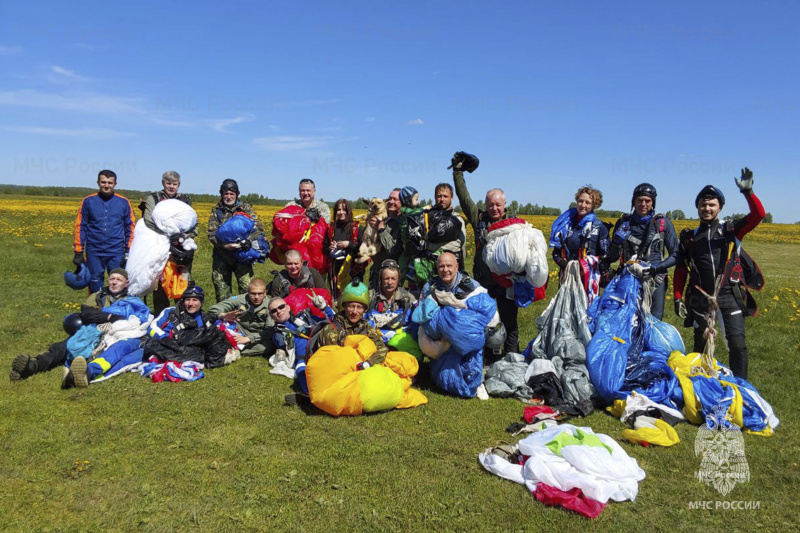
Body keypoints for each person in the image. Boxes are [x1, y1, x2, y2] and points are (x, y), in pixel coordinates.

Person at [674, 168, 765, 379]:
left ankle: (741, 388)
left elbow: (758, 215)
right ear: (697, 207)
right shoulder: (689, 237)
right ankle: (698, 384)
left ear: (720, 208)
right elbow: (680, 269)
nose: (707, 208)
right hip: (700, 297)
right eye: (703, 204)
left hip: (729, 295)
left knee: (737, 343)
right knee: (701, 342)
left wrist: (748, 192)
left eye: (712, 204)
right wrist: (678, 297)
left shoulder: (731, 230)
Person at [10, 269, 132, 383]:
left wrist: (101, 314)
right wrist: (109, 317)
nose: (114, 282)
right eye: (112, 279)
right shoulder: (98, 296)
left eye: (119, 280)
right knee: (63, 347)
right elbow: (87, 313)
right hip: (91, 332)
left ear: (126, 283)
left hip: (115, 336)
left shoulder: (132, 300)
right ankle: (32, 366)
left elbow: (132, 318)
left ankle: (82, 372)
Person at [452, 156, 520, 353]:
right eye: (491, 205)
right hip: (485, 283)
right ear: (486, 204)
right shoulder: (479, 219)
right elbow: (464, 198)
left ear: (505, 205)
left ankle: (513, 358)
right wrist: (457, 172)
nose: (494, 208)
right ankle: (485, 357)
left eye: (498, 205)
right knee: (484, 322)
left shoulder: (515, 225)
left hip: (508, 284)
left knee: (509, 322)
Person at [604, 183, 678, 320]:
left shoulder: (663, 223)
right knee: (625, 321)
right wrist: (615, 242)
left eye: (647, 201)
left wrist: (657, 268)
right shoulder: (623, 223)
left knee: (653, 322)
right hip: (628, 278)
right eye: (639, 200)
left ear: (653, 203)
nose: (643, 204)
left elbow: (675, 254)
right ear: (633, 202)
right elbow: (612, 257)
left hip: (655, 281)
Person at [140, 170, 197, 313]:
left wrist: (182, 237)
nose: (171, 186)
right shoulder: (154, 198)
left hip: (181, 246)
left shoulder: (185, 200)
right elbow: (149, 220)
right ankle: (161, 316)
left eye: (175, 184)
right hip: (159, 244)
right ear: (163, 183)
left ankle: (183, 314)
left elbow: (192, 221)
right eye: (168, 183)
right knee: (160, 282)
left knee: (182, 281)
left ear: (179, 185)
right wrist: (167, 234)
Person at [73, 170, 136, 293]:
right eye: (103, 182)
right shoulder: (88, 201)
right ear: (98, 182)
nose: (106, 185)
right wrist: (78, 251)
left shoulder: (123, 202)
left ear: (115, 184)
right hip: (94, 250)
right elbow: (81, 226)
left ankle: (117, 309)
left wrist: (128, 251)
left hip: (116, 251)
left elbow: (130, 227)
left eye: (109, 183)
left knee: (118, 282)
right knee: (94, 282)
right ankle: (96, 309)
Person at [207, 179, 266, 302]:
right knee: (222, 293)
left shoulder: (246, 209)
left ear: (237, 194)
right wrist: (225, 245)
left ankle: (245, 318)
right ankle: (224, 319)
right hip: (222, 257)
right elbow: (212, 234)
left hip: (243, 257)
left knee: (247, 290)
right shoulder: (216, 211)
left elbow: (258, 228)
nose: (228, 197)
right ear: (222, 194)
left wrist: (248, 241)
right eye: (226, 194)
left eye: (231, 194)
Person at [550, 186, 610, 300]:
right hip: (566, 277)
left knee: (585, 315)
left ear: (594, 205)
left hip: (588, 280)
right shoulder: (565, 225)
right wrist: (565, 265)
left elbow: (606, 256)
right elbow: (556, 253)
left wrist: (587, 265)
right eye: (580, 201)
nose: (583, 205)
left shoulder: (599, 227)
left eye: (587, 202)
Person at [315, 281, 388, 369]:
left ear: (364, 309)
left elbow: (382, 348)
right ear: (344, 307)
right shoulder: (331, 330)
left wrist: (368, 363)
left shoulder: (367, 328)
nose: (354, 312)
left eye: (359, 307)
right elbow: (330, 360)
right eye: (351, 306)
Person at [209, 278, 273, 356]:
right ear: (248, 292)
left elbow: (269, 330)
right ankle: (229, 346)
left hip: (258, 334)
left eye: (260, 293)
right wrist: (223, 315)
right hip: (239, 329)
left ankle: (233, 350)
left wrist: (249, 339)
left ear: (265, 293)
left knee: (268, 346)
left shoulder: (270, 305)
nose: (256, 297)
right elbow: (214, 308)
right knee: (218, 324)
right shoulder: (240, 299)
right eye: (253, 293)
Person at [325, 198, 362, 300]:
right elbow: (324, 247)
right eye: (338, 209)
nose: (341, 212)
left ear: (348, 211)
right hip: (335, 268)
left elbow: (362, 249)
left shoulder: (357, 227)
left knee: (352, 297)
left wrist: (348, 244)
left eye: (344, 210)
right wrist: (329, 247)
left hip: (353, 268)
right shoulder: (331, 228)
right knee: (336, 296)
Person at [367, 188, 403, 290]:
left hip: (391, 275)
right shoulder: (380, 216)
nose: (391, 202)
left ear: (403, 202)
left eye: (395, 199)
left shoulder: (402, 223)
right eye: (390, 198)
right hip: (376, 271)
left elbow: (392, 250)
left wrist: (381, 229)